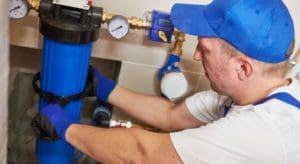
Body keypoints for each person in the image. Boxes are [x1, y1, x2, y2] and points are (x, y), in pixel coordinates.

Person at [32, 0, 300, 163]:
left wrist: (67, 129)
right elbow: (171, 115)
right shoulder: (245, 94)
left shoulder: (262, 133)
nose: (195, 55)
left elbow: (142, 156)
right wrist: (106, 88)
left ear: (243, 68)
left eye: (205, 49)